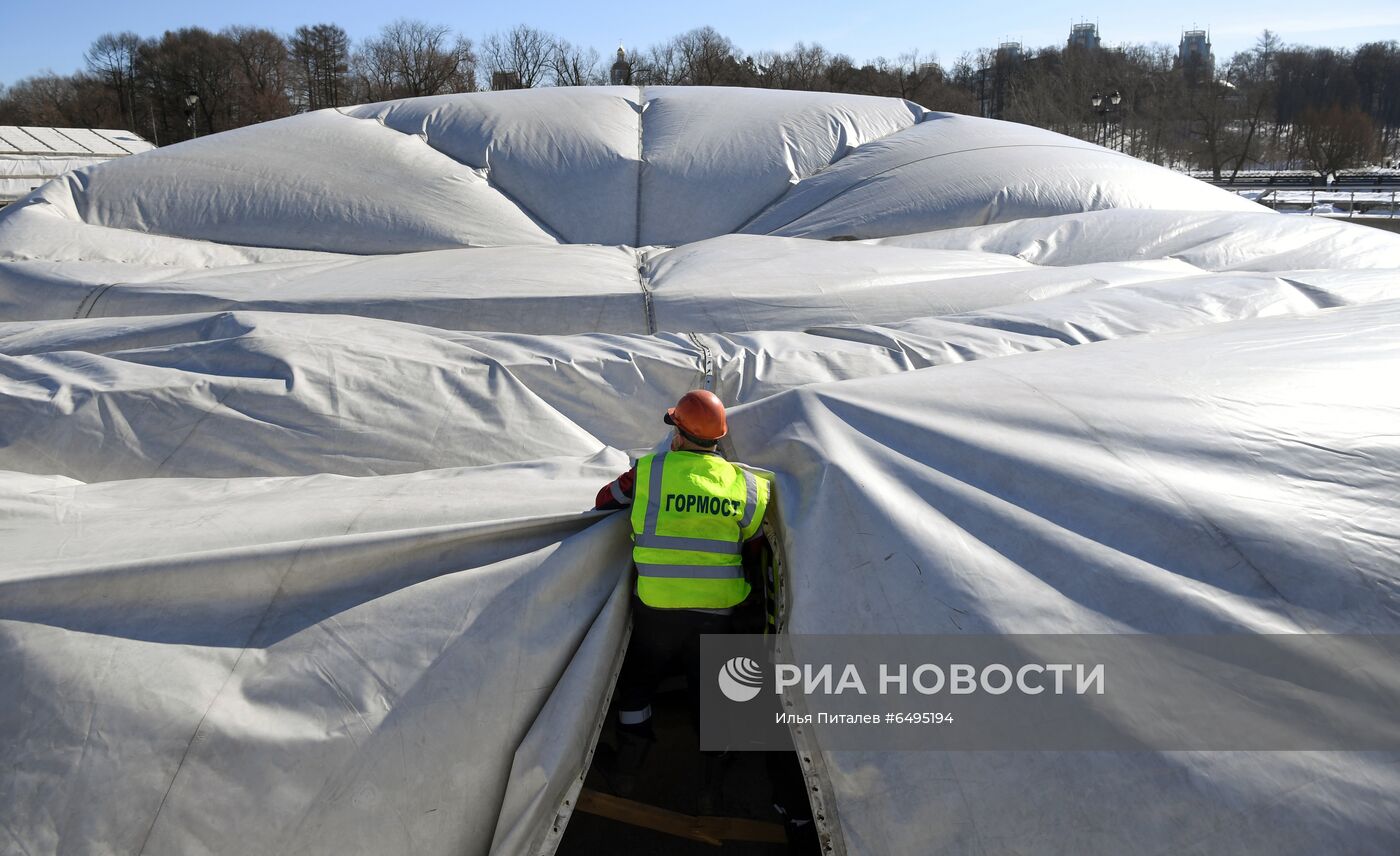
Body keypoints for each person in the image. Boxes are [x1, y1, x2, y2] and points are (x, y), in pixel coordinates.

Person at [593, 389, 770, 798]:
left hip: (658, 607)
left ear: (678, 433)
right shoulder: (748, 485)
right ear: (719, 439)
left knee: (637, 685)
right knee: (714, 692)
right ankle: (715, 785)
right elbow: (754, 544)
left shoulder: (650, 472)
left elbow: (605, 500)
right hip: (720, 609)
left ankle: (627, 770)